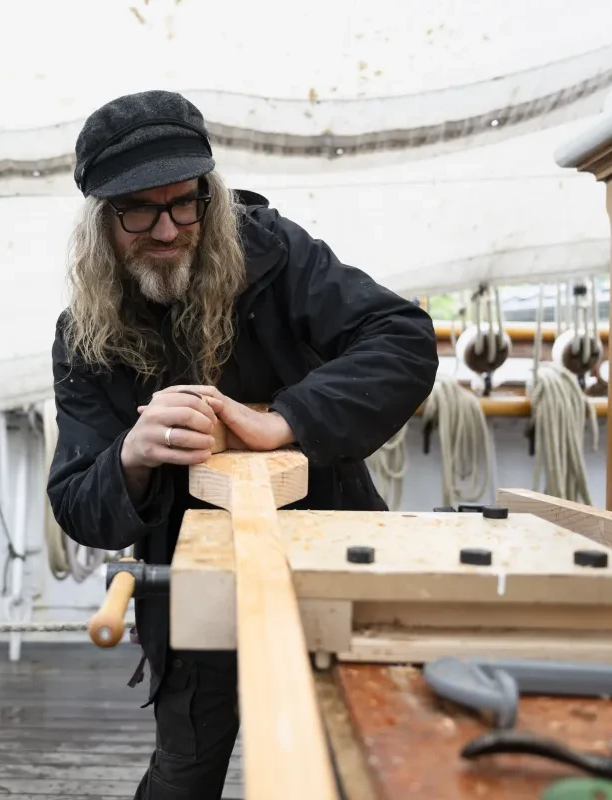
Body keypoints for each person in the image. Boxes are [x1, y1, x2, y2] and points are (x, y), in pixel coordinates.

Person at [47, 89, 439, 800]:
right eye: (139, 210)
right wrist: (131, 456)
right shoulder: (83, 338)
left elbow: (402, 339)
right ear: (102, 220)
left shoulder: (275, 252)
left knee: (349, 763)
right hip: (188, 584)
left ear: (207, 192)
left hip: (327, 557)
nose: (167, 230)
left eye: (183, 202)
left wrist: (284, 420)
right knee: (184, 770)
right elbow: (78, 503)